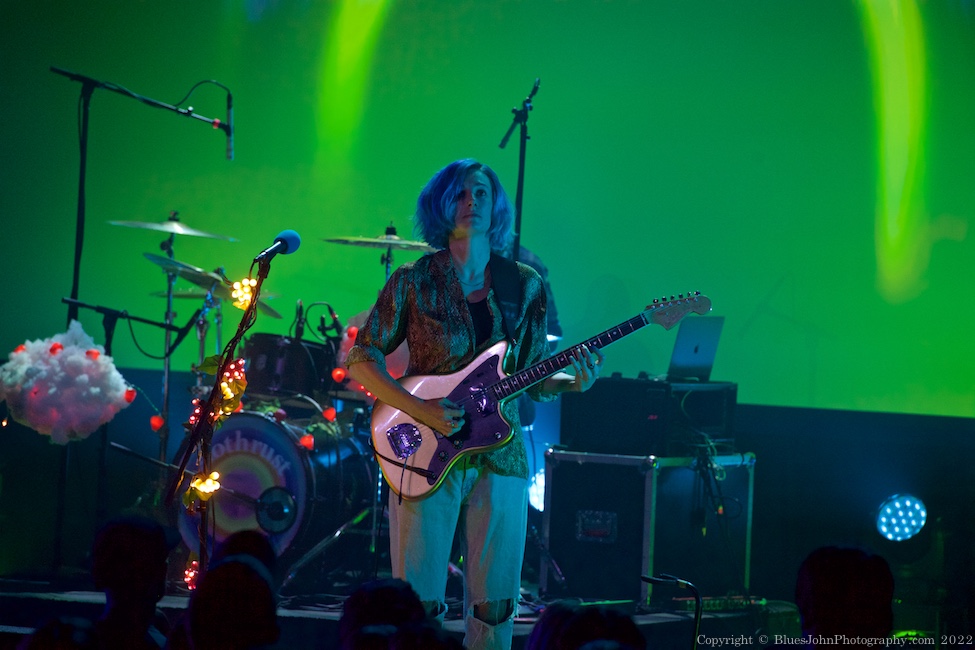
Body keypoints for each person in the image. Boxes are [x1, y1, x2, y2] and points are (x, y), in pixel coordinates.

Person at [346, 158, 604, 650]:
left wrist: (572, 384)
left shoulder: (523, 284)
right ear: (442, 204)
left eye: (482, 192)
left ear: (496, 205)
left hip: (500, 457)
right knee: (416, 607)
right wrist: (419, 409)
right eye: (462, 193)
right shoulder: (413, 278)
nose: (473, 202)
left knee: (496, 606)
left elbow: (534, 374)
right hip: (424, 453)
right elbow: (362, 359)